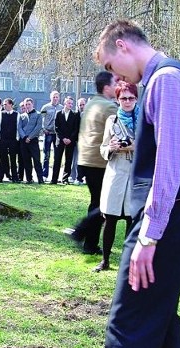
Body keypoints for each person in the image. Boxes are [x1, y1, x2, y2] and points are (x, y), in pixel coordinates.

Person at [57, 19, 180, 348]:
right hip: (169, 218)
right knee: (160, 315)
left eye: (111, 65)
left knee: (128, 322)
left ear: (123, 45)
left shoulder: (167, 81)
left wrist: (149, 237)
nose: (115, 78)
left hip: (164, 219)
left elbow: (171, 164)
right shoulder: (164, 81)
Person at [66, 71, 118, 255]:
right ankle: (80, 231)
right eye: (115, 83)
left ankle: (89, 244)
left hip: (86, 160)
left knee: (96, 202)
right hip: (99, 162)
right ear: (106, 87)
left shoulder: (91, 104)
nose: (118, 86)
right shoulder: (109, 107)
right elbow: (117, 132)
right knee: (104, 204)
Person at [93, 82, 139, 272]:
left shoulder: (144, 119)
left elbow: (149, 146)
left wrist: (131, 146)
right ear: (117, 99)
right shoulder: (112, 120)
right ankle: (105, 260)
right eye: (123, 98)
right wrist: (111, 148)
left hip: (135, 176)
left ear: (136, 99)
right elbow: (103, 148)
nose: (127, 102)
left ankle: (127, 263)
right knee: (110, 219)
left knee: (131, 220)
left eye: (131, 98)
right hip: (115, 174)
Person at [51, 96, 80, 184]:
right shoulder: (59, 114)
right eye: (69, 103)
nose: (70, 105)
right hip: (60, 141)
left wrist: (70, 139)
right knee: (57, 160)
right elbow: (56, 128)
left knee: (68, 160)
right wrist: (63, 138)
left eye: (71, 103)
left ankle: (65, 179)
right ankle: (54, 179)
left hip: (70, 141)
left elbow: (76, 129)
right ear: (65, 103)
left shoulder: (75, 114)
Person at [18, 97, 44, 184]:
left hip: (33, 141)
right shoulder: (21, 116)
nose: (27, 106)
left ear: (32, 104)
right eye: (26, 104)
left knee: (36, 160)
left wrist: (30, 137)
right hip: (24, 141)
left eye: (29, 104)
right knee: (26, 161)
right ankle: (29, 179)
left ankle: (40, 179)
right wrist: (25, 137)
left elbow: (38, 127)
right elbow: (19, 128)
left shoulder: (38, 114)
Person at [0, 98, 20, 182]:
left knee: (13, 159)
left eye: (6, 104)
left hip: (13, 140)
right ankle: (0, 177)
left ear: (11, 105)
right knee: (2, 159)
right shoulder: (1, 114)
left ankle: (15, 177)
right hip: (3, 140)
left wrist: (17, 138)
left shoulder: (17, 114)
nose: (4, 106)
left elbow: (17, 127)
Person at [40, 90, 62, 178]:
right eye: (54, 97)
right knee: (47, 154)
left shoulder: (61, 108)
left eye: (57, 97)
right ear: (50, 98)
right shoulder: (45, 107)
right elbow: (41, 118)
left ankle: (55, 176)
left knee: (57, 155)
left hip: (57, 135)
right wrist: (43, 129)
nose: (55, 99)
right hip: (48, 133)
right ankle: (45, 175)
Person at [71, 97, 87, 184]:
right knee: (75, 159)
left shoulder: (89, 115)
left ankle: (82, 177)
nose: (81, 106)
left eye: (83, 104)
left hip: (86, 141)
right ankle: (74, 176)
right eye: (80, 105)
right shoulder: (75, 115)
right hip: (77, 140)